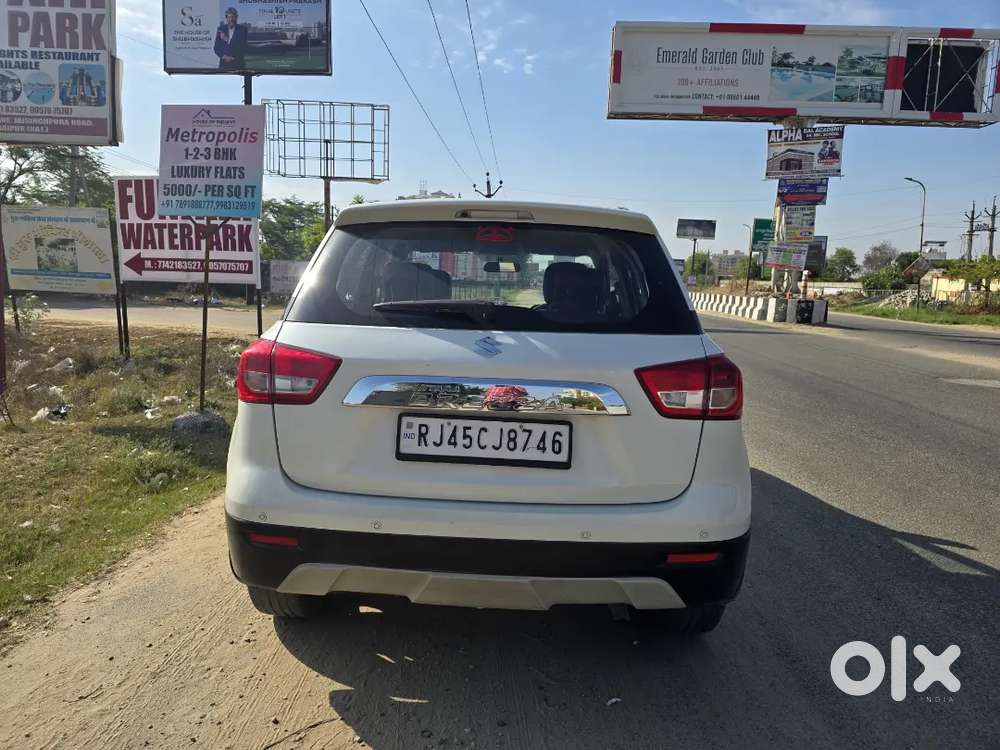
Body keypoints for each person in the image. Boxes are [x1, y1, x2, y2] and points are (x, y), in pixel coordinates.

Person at [214, 7, 248, 71]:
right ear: (226, 18)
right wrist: (224, 56)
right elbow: (216, 48)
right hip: (224, 65)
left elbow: (243, 47)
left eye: (233, 17)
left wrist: (227, 39)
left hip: (238, 65)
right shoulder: (221, 29)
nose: (231, 19)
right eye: (229, 17)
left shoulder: (242, 30)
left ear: (236, 17)